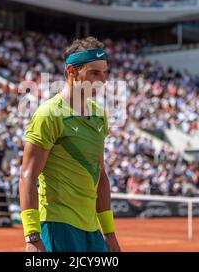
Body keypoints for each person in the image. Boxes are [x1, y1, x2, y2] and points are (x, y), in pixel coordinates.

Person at [19, 36, 121, 252]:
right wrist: (32, 235)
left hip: (91, 230)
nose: (102, 81)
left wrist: (109, 233)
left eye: (104, 73)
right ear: (72, 72)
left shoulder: (100, 115)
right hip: (58, 226)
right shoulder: (49, 114)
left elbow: (100, 175)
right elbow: (28, 175)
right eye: (94, 73)